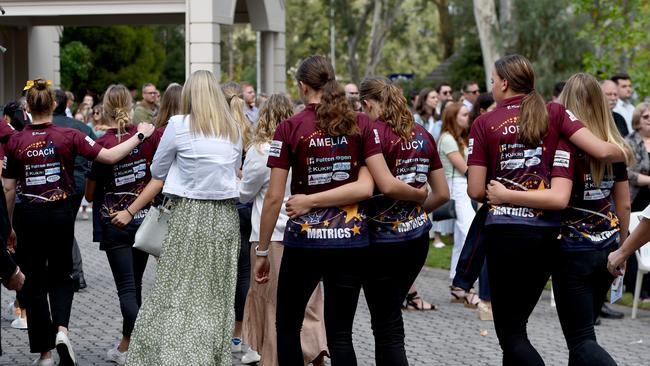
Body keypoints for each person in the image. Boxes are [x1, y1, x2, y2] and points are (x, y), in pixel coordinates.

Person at [466, 54, 626, 365]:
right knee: (560, 335)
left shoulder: (485, 122)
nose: (491, 85)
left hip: (515, 235)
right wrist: (623, 151)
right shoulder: (555, 113)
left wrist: (504, 193)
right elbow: (606, 158)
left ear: (504, 83)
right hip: (560, 237)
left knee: (515, 334)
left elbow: (475, 190)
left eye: (492, 80)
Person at [2, 78, 155, 366]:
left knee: (32, 282)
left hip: (28, 215)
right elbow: (108, 156)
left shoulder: (14, 141)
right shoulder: (70, 135)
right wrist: (140, 137)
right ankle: (62, 331)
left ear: (27, 108)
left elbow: (9, 188)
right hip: (61, 214)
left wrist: (8, 227)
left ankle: (45, 353)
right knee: (61, 274)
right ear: (54, 104)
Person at [253, 55, 379, 365]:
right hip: (350, 241)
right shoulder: (360, 122)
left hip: (305, 243)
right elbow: (369, 185)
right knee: (341, 336)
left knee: (288, 326)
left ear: (302, 86)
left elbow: (274, 197)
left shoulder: (290, 127)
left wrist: (263, 250)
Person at [124, 70, 243, 366]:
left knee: (177, 287)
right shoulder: (233, 128)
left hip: (189, 212)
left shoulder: (178, 125)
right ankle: (209, 354)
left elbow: (158, 171)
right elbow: (233, 170)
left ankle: (177, 354)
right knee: (215, 292)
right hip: (225, 216)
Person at [356, 76, 448, 364]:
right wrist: (417, 212)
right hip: (416, 240)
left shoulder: (373, 134)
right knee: (389, 320)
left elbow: (384, 185)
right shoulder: (422, 133)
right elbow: (443, 193)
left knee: (387, 326)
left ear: (367, 103)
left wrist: (416, 199)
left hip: (380, 242)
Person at [240, 94, 328, 366]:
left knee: (272, 303)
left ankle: (274, 357)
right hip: (306, 230)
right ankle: (314, 350)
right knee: (311, 301)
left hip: (271, 234)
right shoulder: (307, 143)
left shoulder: (260, 150)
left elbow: (246, 194)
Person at [84, 84, 163, 365]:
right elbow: (156, 175)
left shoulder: (103, 143)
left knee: (127, 289)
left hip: (114, 222)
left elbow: (90, 194)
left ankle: (141, 345)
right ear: (130, 107)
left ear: (104, 110)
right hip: (142, 219)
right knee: (136, 286)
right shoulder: (146, 138)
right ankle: (127, 346)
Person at [221, 81, 253, 355]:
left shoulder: (218, 129)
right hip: (245, 205)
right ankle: (239, 332)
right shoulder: (248, 129)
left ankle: (220, 329)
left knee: (222, 270)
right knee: (244, 271)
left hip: (223, 205)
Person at [53, 89, 97, 291]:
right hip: (78, 183)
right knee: (64, 228)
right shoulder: (81, 128)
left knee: (60, 229)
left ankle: (72, 275)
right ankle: (74, 274)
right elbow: (98, 153)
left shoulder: (37, 127)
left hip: (53, 185)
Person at [438, 102, 479, 306]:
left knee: (461, 236)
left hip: (464, 186)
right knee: (469, 232)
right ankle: (465, 284)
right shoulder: (447, 139)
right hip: (457, 186)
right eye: (463, 114)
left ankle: (457, 284)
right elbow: (465, 168)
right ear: (453, 117)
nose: (467, 117)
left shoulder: (462, 138)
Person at [623, 102, 650, 300]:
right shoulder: (629, 141)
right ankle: (634, 288)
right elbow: (625, 171)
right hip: (635, 196)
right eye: (646, 117)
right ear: (637, 120)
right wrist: (647, 180)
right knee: (634, 240)